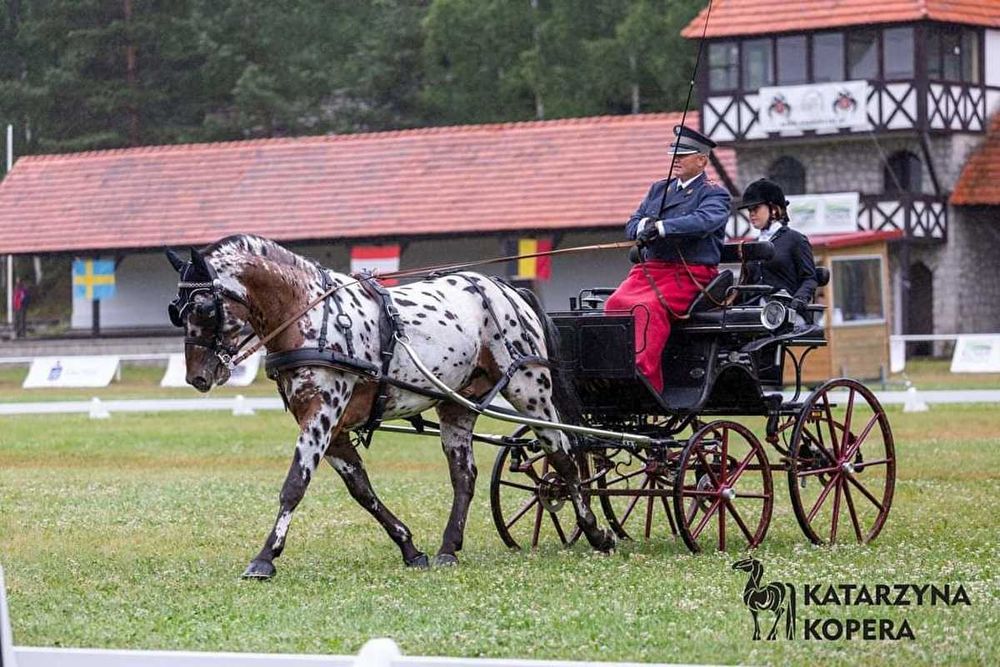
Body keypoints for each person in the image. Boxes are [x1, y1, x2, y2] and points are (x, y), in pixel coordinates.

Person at [604, 125, 731, 393]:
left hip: (689, 273)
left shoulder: (713, 193)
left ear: (702, 160)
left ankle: (644, 376)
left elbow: (704, 221)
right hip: (650, 270)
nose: (676, 160)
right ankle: (614, 368)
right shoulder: (658, 190)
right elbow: (633, 222)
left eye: (683, 155)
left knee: (647, 307)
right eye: (674, 154)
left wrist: (662, 227)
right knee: (615, 303)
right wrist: (643, 226)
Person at [736, 178, 817, 315]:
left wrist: (799, 299)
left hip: (787, 311)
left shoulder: (795, 239)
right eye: (749, 210)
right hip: (754, 312)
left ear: (773, 209)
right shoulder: (751, 245)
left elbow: (809, 278)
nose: (751, 214)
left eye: (756, 208)